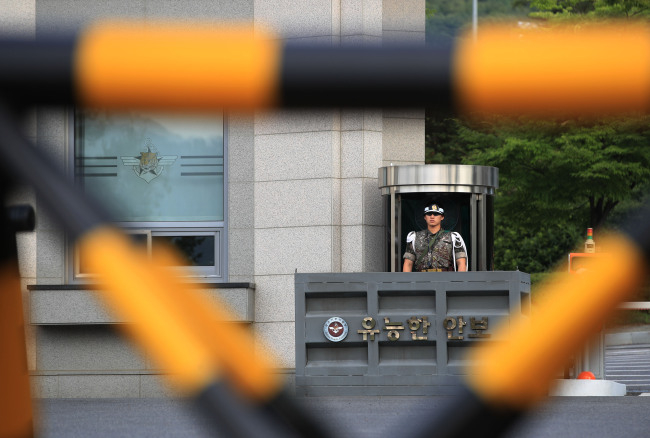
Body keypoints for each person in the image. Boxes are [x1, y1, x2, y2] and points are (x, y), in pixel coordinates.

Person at [402, 203, 468, 272]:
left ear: (442, 217)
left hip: (446, 278)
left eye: (436, 214)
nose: (432, 217)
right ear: (425, 217)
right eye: (429, 214)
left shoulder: (453, 237)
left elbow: (461, 263)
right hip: (421, 279)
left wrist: (459, 282)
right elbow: (408, 263)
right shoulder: (414, 237)